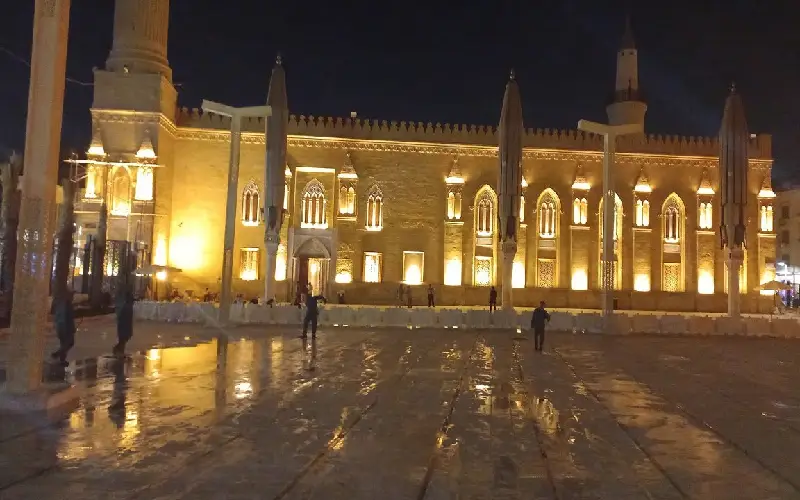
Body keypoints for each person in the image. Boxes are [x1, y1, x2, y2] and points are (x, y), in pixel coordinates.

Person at [51, 290, 76, 366]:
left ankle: (62, 360)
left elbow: (56, 315)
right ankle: (58, 353)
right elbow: (68, 318)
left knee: (63, 344)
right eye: (72, 296)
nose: (73, 297)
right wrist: (72, 328)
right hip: (66, 328)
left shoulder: (60, 304)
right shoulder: (68, 304)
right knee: (70, 343)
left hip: (60, 327)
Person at [114, 284, 135, 357]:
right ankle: (118, 351)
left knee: (123, 341)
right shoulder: (127, 307)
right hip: (124, 328)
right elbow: (125, 319)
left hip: (124, 327)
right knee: (123, 341)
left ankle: (119, 351)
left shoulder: (127, 306)